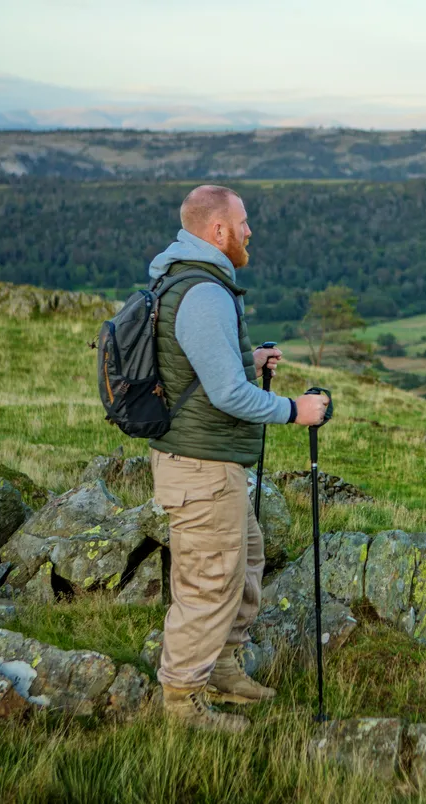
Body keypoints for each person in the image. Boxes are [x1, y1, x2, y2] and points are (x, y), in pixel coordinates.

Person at [147, 185, 329, 733]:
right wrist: (293, 410)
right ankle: (182, 703)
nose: (250, 230)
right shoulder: (202, 293)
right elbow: (227, 394)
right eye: (243, 222)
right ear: (218, 231)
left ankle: (223, 667)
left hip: (210, 464)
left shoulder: (189, 281)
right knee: (208, 581)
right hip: (201, 468)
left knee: (244, 561)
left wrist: (248, 358)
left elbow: (197, 369)